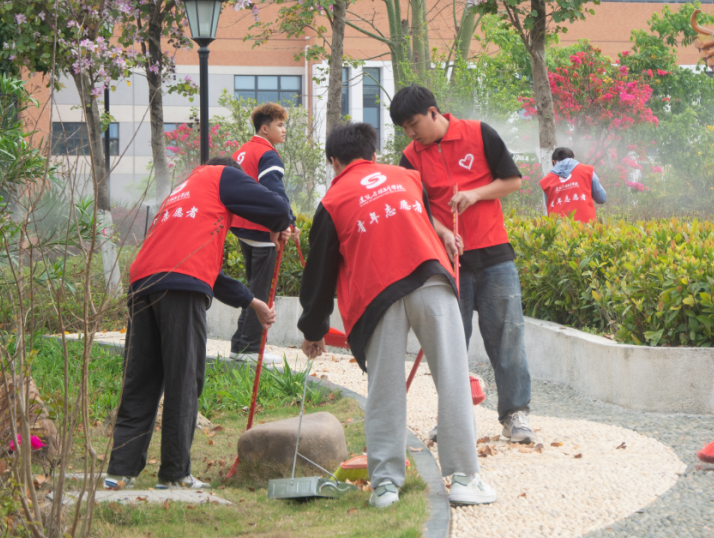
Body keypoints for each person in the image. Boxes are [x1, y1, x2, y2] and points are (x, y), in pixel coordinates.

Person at [297, 123, 497, 508]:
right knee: (453, 379)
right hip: (431, 282)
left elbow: (319, 273)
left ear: (335, 162)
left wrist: (313, 329)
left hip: (378, 296)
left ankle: (386, 485)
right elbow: (420, 220)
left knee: (385, 390)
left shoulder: (333, 201)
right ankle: (464, 480)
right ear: (373, 154)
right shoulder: (407, 177)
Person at [104, 156, 292, 491]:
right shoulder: (220, 175)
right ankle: (175, 474)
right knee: (184, 377)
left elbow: (208, 274)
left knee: (141, 381)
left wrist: (253, 302)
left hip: (143, 284)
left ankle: (120, 472)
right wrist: (282, 223)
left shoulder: (182, 194)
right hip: (178, 287)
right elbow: (276, 207)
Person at [387, 85, 535, 444]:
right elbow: (416, 207)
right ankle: (452, 418)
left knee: (507, 336)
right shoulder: (410, 158)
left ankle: (515, 416)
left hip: (495, 254)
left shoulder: (479, 133)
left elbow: (513, 181)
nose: (411, 134)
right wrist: (443, 234)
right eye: (404, 129)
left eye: (414, 123)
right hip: (448, 260)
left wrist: (475, 193)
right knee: (450, 342)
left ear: (434, 112)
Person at [228, 102, 297, 364]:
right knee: (263, 291)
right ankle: (249, 348)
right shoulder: (268, 154)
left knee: (254, 288)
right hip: (263, 230)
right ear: (265, 128)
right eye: (280, 125)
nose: (284, 130)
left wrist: (287, 220)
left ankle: (242, 345)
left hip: (242, 226)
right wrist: (282, 223)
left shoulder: (242, 152)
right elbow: (274, 193)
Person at [540, 146, 607, 222]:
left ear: (554, 162)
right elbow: (601, 198)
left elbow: (549, 206)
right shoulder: (587, 171)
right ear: (574, 159)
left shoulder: (546, 180)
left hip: (559, 229)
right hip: (586, 227)